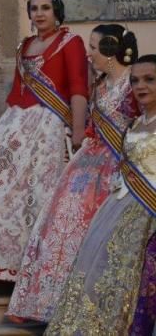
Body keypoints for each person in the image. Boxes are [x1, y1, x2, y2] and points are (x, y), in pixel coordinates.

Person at [0, 0, 89, 282]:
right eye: (34, 8)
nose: (39, 14)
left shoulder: (70, 42)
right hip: (17, 122)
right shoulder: (24, 46)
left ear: (57, 12)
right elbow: (17, 93)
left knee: (40, 191)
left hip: (50, 127)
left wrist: (78, 132)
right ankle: (1, 262)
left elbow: (78, 89)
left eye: (45, 8)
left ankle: (41, 267)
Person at [7, 24, 138, 322]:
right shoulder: (100, 84)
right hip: (89, 162)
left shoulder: (134, 81)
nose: (89, 54)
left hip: (118, 167)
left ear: (109, 51)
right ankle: (51, 303)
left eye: (94, 48)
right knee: (63, 220)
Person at [46, 55, 156, 335]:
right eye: (135, 80)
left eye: (149, 79)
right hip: (118, 211)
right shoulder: (133, 124)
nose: (140, 86)